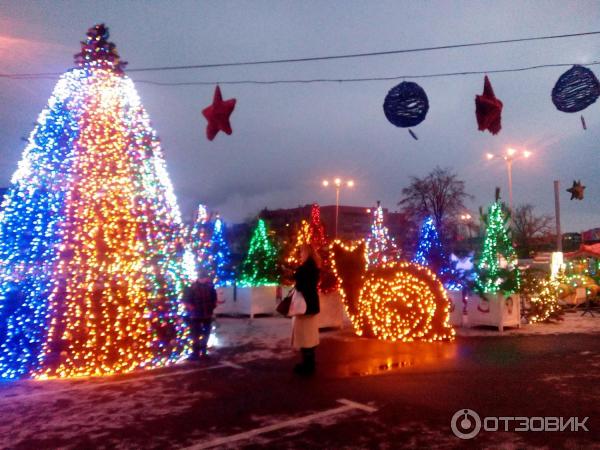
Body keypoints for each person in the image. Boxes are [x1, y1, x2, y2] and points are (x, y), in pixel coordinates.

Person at [291, 244, 321, 375]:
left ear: (307, 253)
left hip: (304, 306)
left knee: (304, 335)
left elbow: (301, 286)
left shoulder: (304, 269)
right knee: (310, 334)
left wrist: (295, 275)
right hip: (312, 306)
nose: (300, 254)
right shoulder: (314, 267)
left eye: (302, 252)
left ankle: (307, 366)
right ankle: (310, 363)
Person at [183, 277, 217, 360]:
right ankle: (196, 353)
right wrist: (192, 308)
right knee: (196, 335)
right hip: (196, 315)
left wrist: (212, 307)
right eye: (203, 277)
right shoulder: (192, 287)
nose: (205, 279)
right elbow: (187, 300)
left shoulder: (210, 287)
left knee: (205, 334)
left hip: (207, 315)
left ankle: (203, 352)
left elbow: (214, 299)